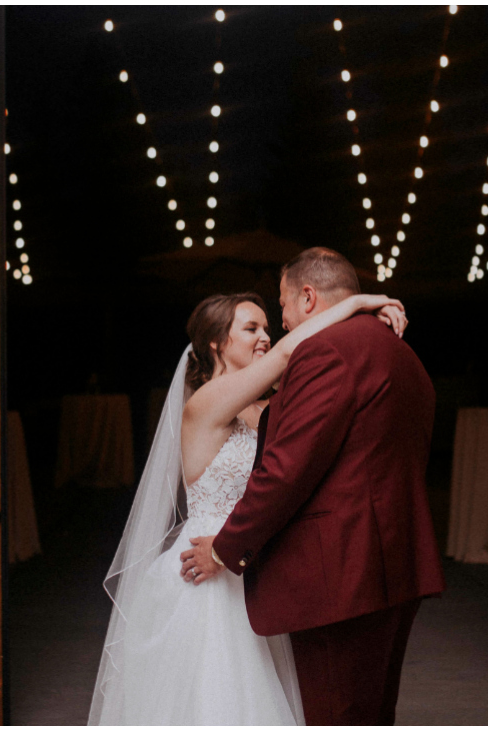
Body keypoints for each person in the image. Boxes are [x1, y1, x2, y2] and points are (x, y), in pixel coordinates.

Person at [88, 287, 407, 725]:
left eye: (267, 327)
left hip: (252, 567)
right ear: (217, 343)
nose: (265, 338)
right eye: (251, 328)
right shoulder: (205, 403)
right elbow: (283, 357)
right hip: (204, 574)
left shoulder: (262, 409)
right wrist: (355, 304)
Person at [180, 247, 446, 725]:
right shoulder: (402, 353)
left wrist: (224, 550)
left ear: (307, 298)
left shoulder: (323, 352)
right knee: (371, 712)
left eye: (279, 307)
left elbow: (285, 470)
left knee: (334, 714)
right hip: (394, 564)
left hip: (338, 575)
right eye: (253, 327)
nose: (278, 326)